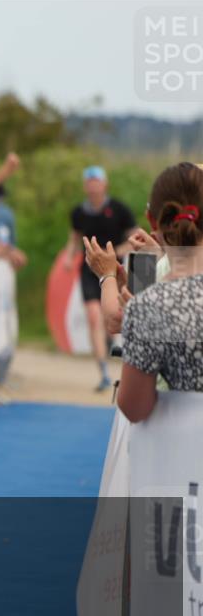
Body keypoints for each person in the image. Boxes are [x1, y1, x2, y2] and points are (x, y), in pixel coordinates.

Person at [116, 162, 203, 422]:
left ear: (152, 220)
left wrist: (107, 278)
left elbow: (135, 408)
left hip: (183, 441)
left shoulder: (151, 306)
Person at [62, 166, 138, 391]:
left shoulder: (119, 209)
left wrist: (114, 253)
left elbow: (135, 237)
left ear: (105, 184)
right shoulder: (78, 212)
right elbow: (74, 238)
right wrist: (69, 257)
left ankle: (110, 344)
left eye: (97, 182)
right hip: (89, 270)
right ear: (85, 186)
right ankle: (103, 372)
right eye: (90, 183)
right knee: (94, 316)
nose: (93, 187)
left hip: (114, 270)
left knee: (110, 318)